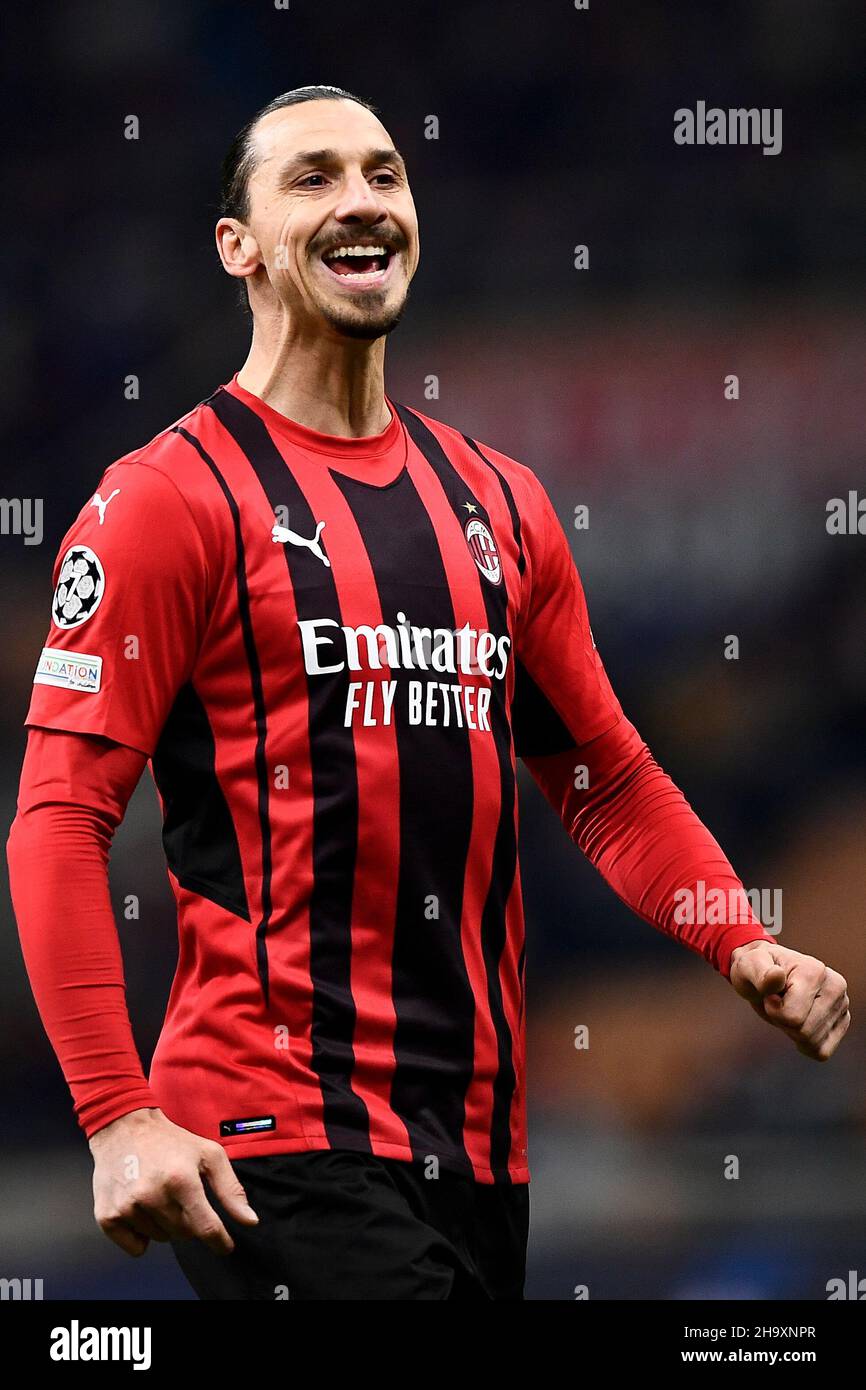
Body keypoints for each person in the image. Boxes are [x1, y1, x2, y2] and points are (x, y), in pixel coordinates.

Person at [7, 86, 850, 1301]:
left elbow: (602, 774)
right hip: (270, 1135)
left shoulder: (500, 504)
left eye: (383, 174)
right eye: (311, 178)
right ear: (235, 246)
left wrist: (736, 938)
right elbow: (58, 816)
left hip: (477, 1149)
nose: (360, 200)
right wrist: (114, 1112)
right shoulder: (165, 499)